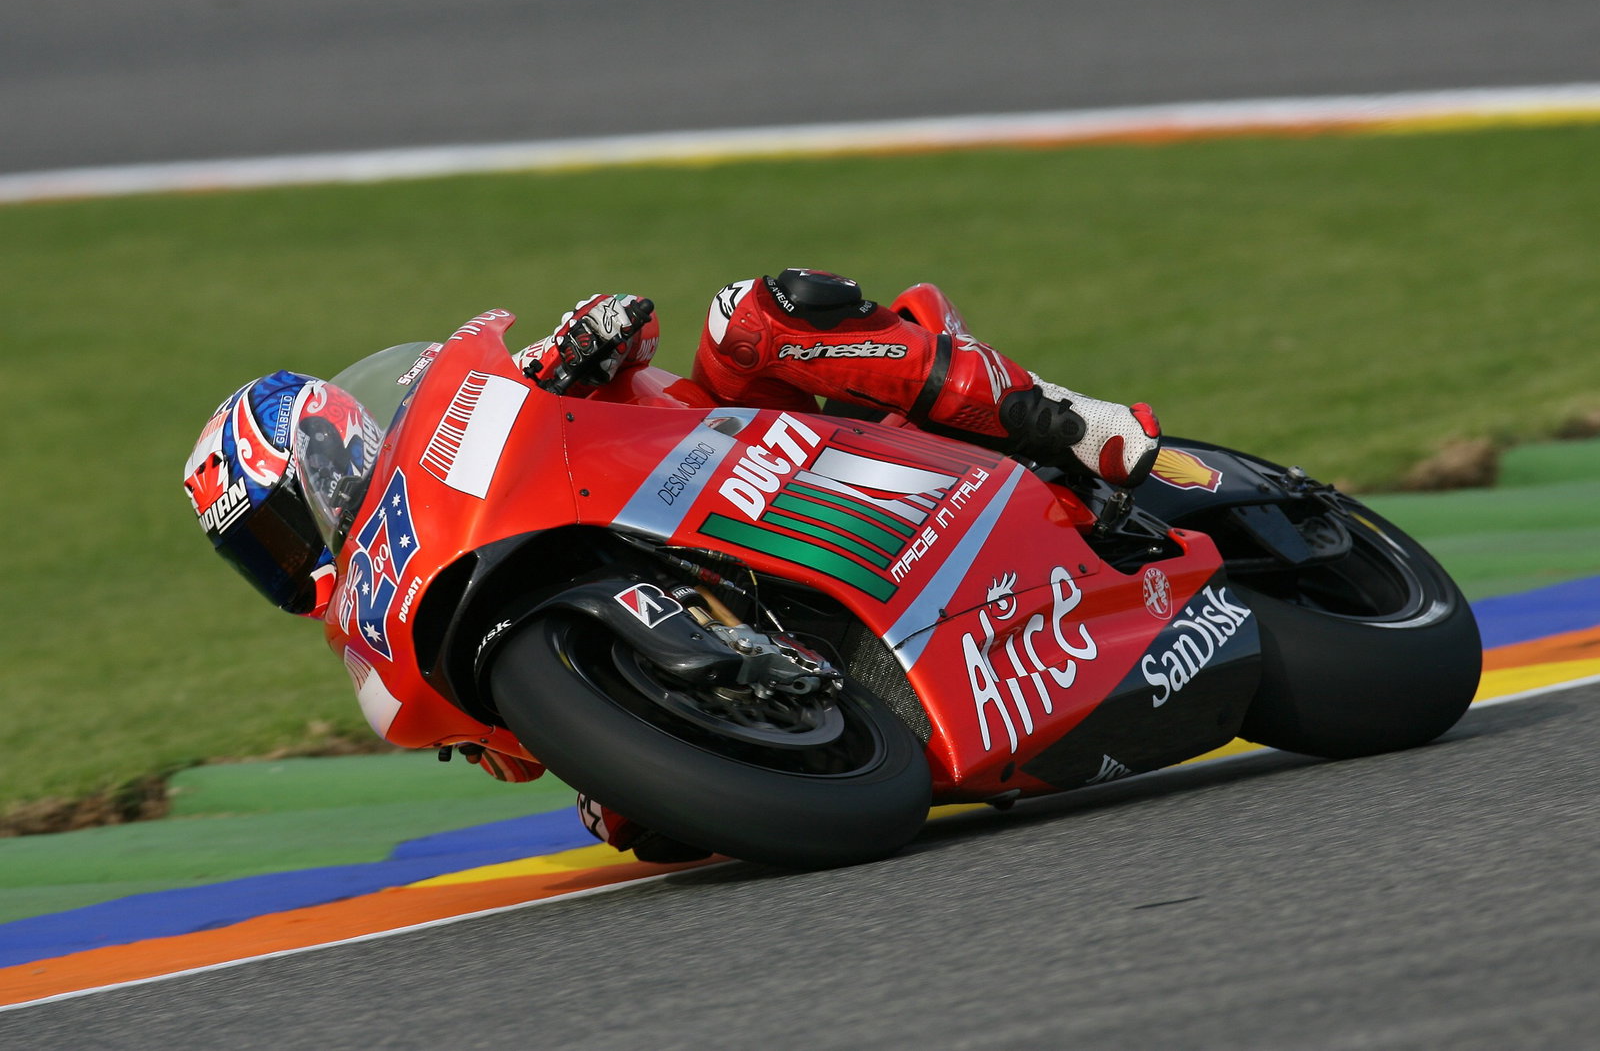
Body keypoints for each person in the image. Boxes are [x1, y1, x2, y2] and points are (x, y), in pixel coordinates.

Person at [182, 269, 1161, 861]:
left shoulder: (467, 428)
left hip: (738, 450)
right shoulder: (386, 618)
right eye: (257, 552)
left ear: (331, 451)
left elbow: (631, 326)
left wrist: (584, 338)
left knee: (752, 314)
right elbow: (517, 744)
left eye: (280, 520)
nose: (286, 554)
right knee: (640, 830)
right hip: (755, 597)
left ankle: (1062, 422)